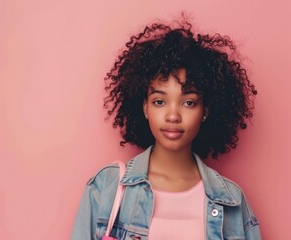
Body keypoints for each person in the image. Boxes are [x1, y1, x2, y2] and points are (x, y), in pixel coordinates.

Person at [71, 19, 262, 240]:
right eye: (159, 102)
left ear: (205, 111)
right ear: (145, 108)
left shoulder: (231, 202)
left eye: (188, 102)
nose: (173, 116)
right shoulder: (106, 187)